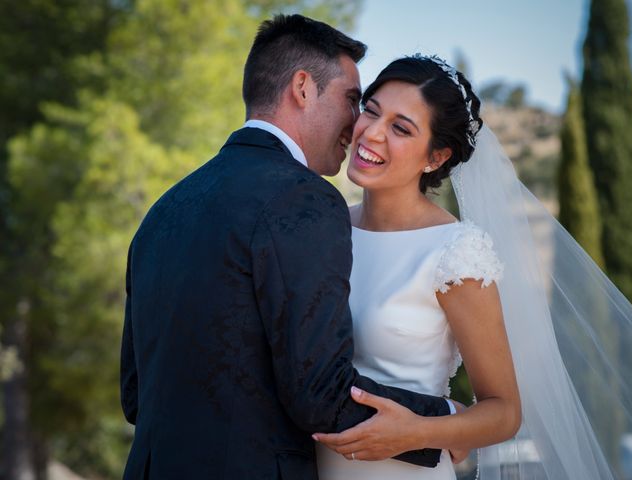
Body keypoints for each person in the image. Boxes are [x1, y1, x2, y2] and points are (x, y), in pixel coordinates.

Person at [120, 16, 460, 480]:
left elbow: (135, 395)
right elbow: (319, 396)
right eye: (352, 100)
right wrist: (444, 421)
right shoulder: (305, 198)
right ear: (302, 87)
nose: (356, 125)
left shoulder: (164, 209)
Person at [315, 54, 632, 480]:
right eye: (371, 111)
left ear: (436, 157)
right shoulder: (324, 225)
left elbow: (504, 411)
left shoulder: (455, 252)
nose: (372, 133)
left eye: (400, 128)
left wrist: (418, 431)